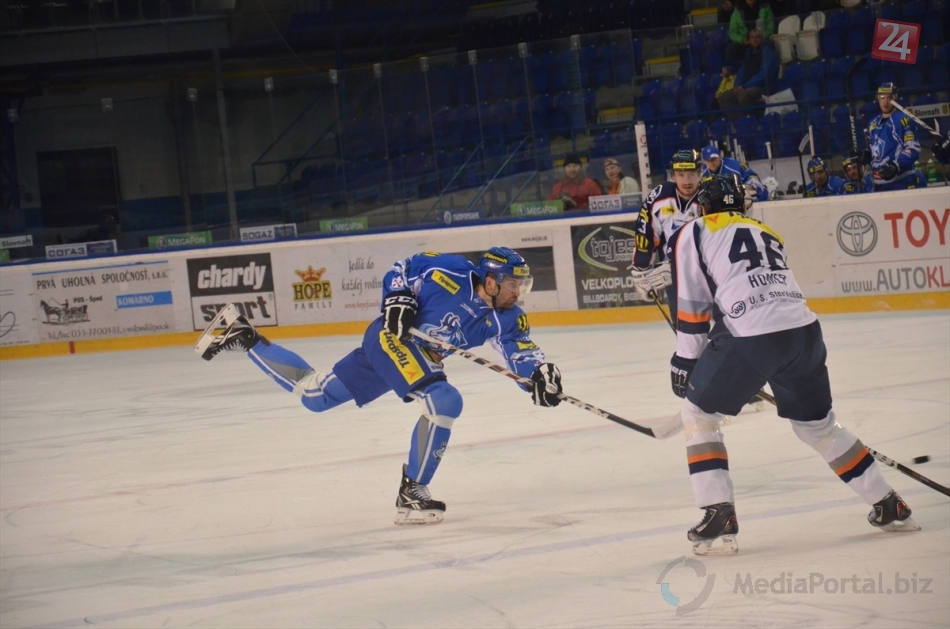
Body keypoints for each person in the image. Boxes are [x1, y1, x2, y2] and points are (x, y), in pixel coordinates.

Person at [194, 247, 564, 525]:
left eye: (521, 285)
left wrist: (539, 375)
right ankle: (413, 490)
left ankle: (245, 336)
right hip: (391, 338)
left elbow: (520, 351)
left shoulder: (507, 319)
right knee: (444, 400)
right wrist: (398, 298)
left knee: (315, 395)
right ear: (491, 280)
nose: (518, 292)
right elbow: (402, 268)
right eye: (513, 284)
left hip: (413, 355)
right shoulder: (449, 270)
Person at [666, 173, 919, 556]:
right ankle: (887, 502)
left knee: (699, 414)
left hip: (750, 336)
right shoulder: (765, 231)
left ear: (702, 206)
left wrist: (685, 360)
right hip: (804, 332)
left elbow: (693, 305)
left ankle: (718, 510)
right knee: (819, 426)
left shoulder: (695, 231)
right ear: (742, 205)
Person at [628, 149, 704, 309]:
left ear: (700, 173)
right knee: (682, 323)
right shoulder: (659, 196)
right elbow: (645, 233)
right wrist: (641, 269)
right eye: (681, 175)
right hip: (672, 275)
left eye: (692, 174)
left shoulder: (710, 196)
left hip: (707, 273)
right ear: (673, 176)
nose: (687, 180)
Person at [856, 83, 922, 192]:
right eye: (882, 98)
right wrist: (864, 155)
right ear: (878, 98)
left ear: (895, 98)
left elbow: (913, 148)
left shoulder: (903, 120)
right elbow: (876, 154)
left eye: (889, 98)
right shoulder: (872, 123)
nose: (885, 102)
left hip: (901, 180)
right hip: (879, 184)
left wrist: (897, 165)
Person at [717, 30, 779, 119]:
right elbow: (742, 70)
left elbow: (764, 76)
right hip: (745, 86)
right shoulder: (748, 53)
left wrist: (744, 86)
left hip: (763, 87)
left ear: (762, 38)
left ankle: (753, 121)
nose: (755, 40)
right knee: (724, 98)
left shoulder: (768, 53)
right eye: (752, 37)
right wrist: (737, 85)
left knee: (744, 96)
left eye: (757, 37)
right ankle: (741, 122)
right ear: (749, 40)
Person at [700, 145, 768, 202]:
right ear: (703, 161)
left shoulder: (733, 166)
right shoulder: (702, 173)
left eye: (714, 159)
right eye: (708, 160)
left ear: (720, 156)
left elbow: (753, 178)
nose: (711, 162)